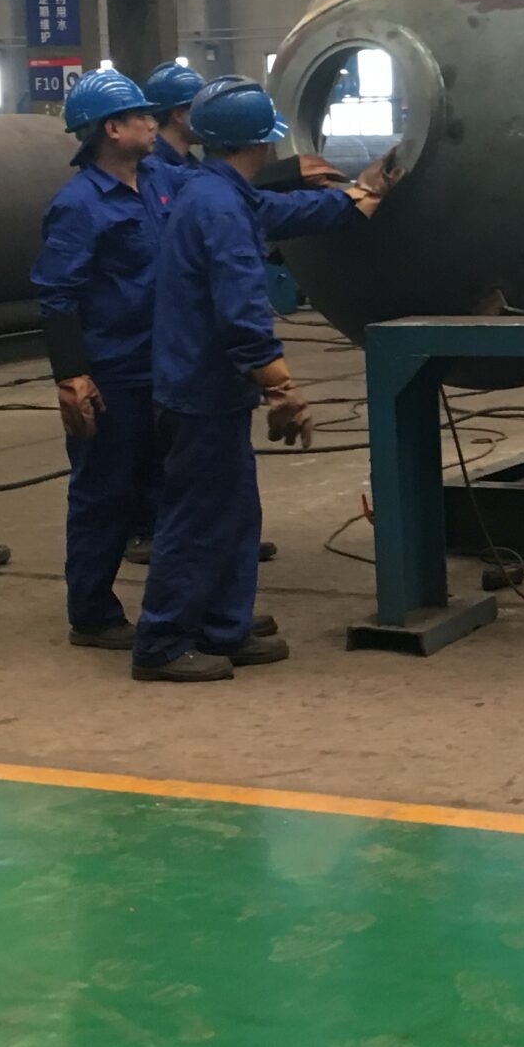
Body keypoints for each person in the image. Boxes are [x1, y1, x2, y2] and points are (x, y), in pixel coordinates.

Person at [134, 77, 388, 683]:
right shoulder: (220, 208)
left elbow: (284, 211)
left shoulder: (214, 190)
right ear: (261, 141)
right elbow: (241, 311)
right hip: (201, 391)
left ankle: (223, 627)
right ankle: (162, 643)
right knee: (198, 519)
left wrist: (360, 195)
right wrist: (280, 388)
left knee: (233, 514)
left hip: (205, 386)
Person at [31, 69, 166, 651]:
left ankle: (179, 608)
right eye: (142, 116)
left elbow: (228, 193)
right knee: (104, 494)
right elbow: (56, 295)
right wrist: (72, 377)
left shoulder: (158, 182)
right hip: (112, 371)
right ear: (112, 129)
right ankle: (91, 614)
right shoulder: (79, 205)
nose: (153, 124)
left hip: (162, 365)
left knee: (165, 490)